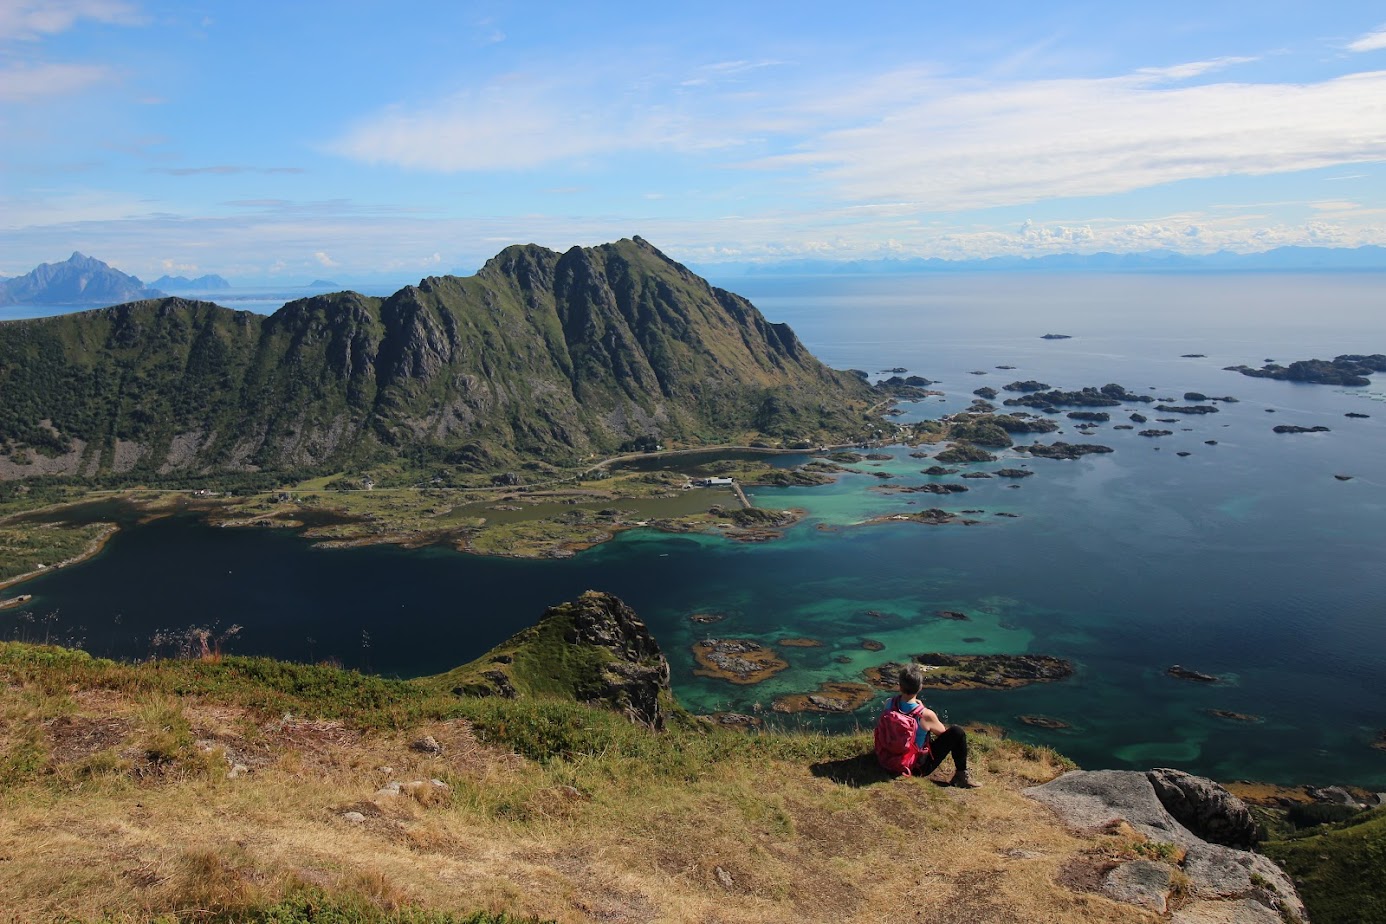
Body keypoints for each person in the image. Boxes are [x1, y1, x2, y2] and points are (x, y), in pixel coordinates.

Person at [877, 663, 980, 787]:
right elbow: (942, 733)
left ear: (900, 686)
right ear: (920, 687)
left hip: (886, 758)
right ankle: (961, 775)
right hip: (914, 768)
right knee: (957, 732)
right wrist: (922, 709)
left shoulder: (889, 704)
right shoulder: (924, 715)